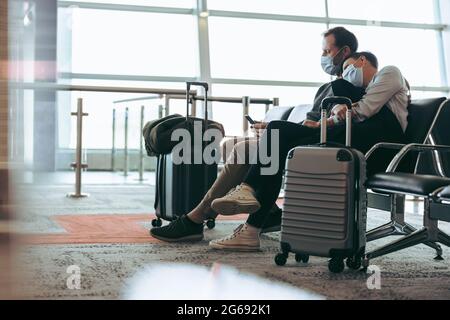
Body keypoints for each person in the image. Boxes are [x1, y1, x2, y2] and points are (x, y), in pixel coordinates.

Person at [150, 27, 360, 243]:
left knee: (243, 150)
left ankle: (197, 217)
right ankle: (269, 213)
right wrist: (271, 128)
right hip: (300, 138)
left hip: (317, 144)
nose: (323, 57)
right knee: (237, 146)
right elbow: (309, 123)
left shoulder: (348, 86)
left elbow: (331, 123)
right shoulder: (328, 86)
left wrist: (282, 130)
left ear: (344, 52)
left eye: (327, 52)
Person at [208, 51, 410, 251]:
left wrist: (335, 114)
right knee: (277, 136)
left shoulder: (389, 72)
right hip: (353, 140)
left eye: (348, 67)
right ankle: (249, 220)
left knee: (278, 132)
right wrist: (326, 120)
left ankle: (249, 204)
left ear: (362, 60)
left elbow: (364, 110)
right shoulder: (362, 91)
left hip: (376, 149)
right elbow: (351, 113)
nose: (345, 74)